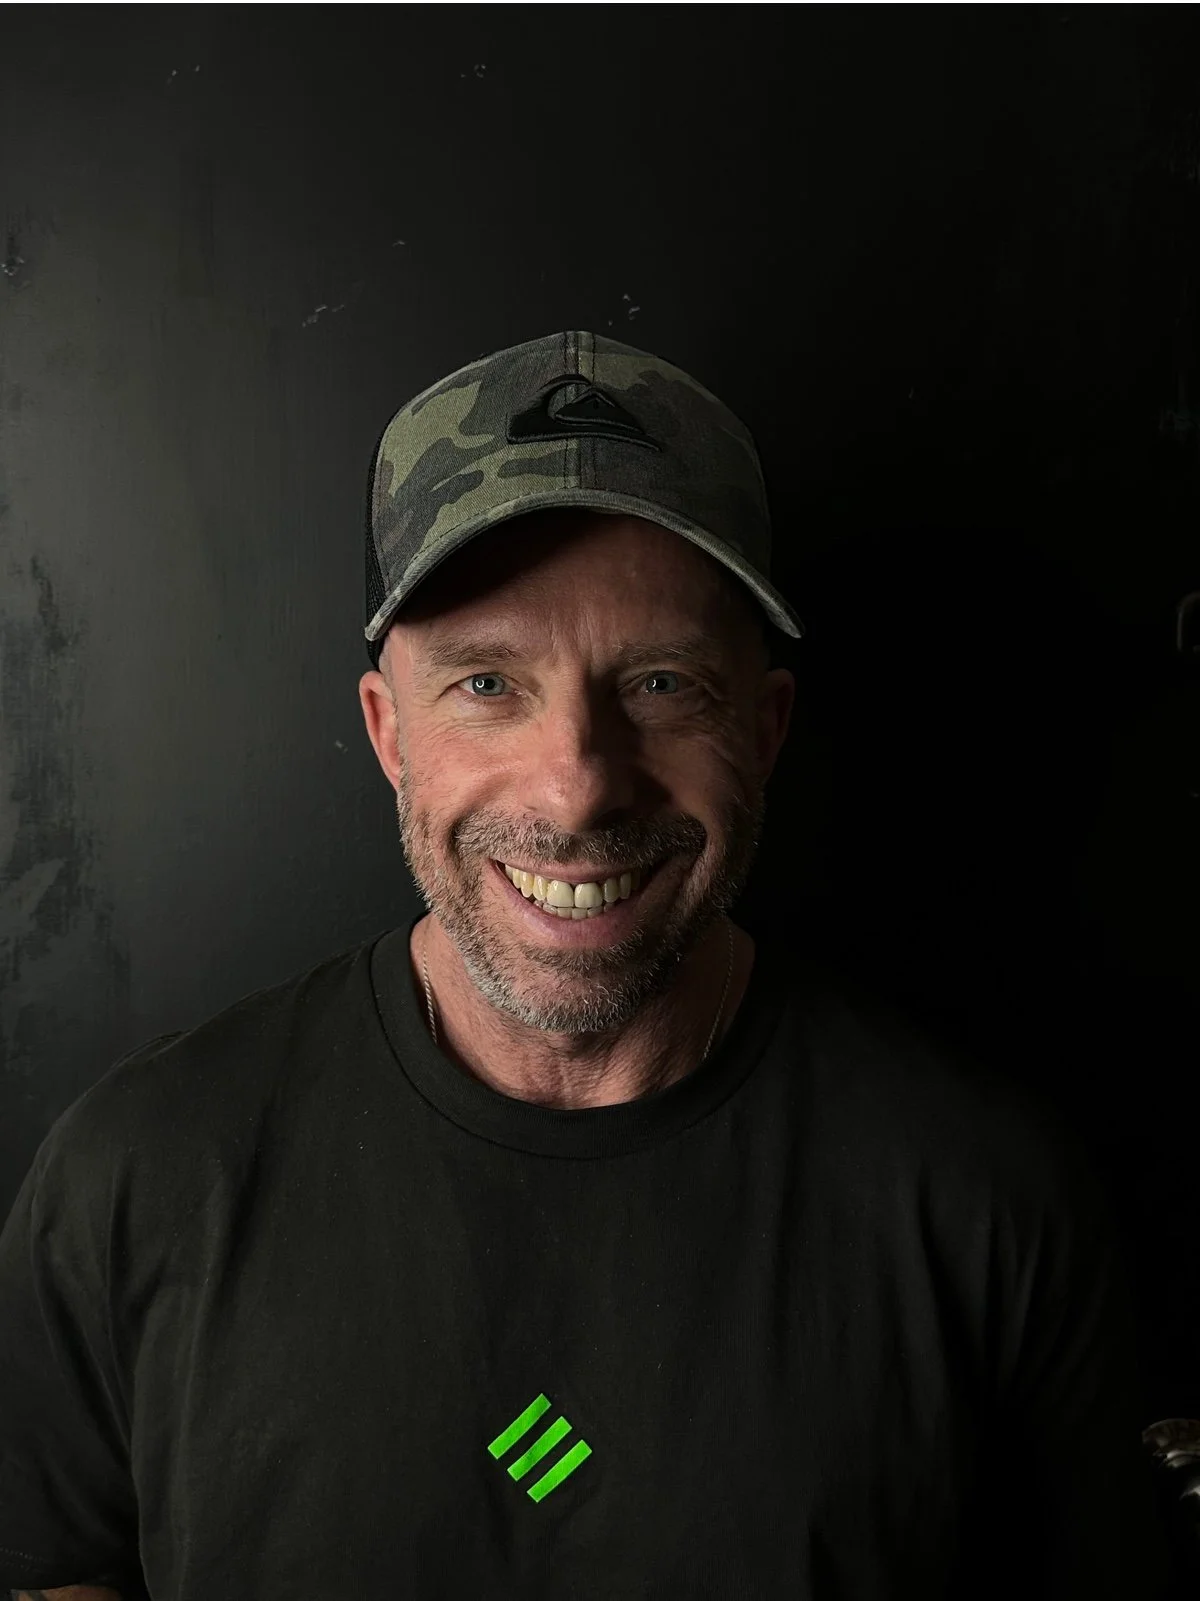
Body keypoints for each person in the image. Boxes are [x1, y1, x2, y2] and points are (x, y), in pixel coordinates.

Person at [0, 331, 1174, 1600]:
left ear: (765, 728)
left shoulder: (983, 1206)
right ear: (389, 733)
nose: (578, 785)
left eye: (664, 682)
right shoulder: (140, 1174)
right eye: (489, 682)